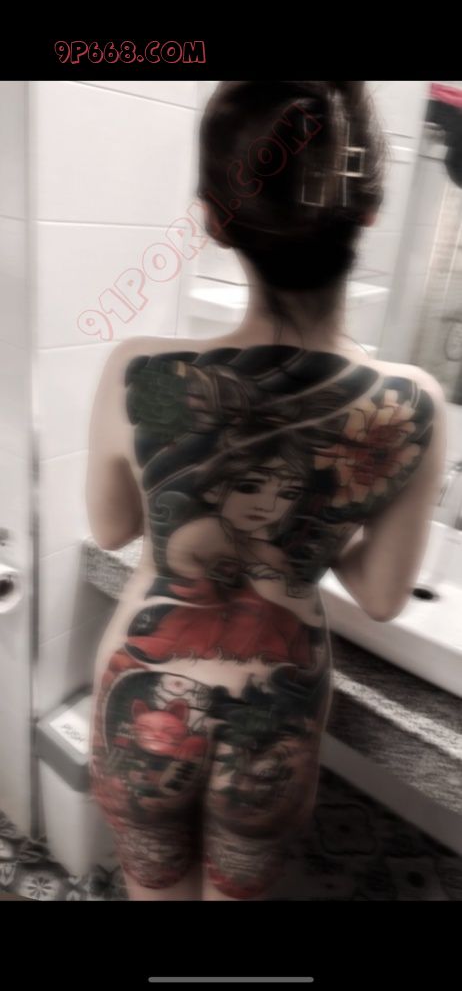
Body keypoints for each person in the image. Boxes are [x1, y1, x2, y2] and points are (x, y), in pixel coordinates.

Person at [86, 81, 446, 901]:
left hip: (142, 703)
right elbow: (382, 598)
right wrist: (325, 507)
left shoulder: (140, 371)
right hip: (275, 719)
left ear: (215, 220)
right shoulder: (413, 404)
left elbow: (109, 528)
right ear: (370, 213)